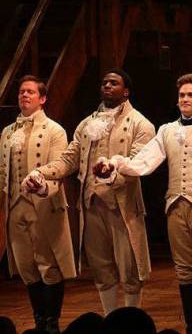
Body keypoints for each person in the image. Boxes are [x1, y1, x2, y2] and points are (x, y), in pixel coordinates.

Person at [97, 74, 192, 334]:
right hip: (175, 205)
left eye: (191, 95)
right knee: (183, 270)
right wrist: (115, 164)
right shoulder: (166, 130)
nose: (185, 99)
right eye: (182, 95)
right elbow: (145, 160)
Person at [25, 70, 155, 315]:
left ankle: (129, 323)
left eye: (114, 83)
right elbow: (69, 159)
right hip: (92, 204)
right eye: (104, 82)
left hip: (122, 205)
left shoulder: (140, 123)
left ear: (125, 91)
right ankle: (109, 320)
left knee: (129, 268)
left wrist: (113, 171)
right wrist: (43, 172)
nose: (107, 85)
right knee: (101, 268)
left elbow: (140, 162)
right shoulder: (87, 124)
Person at [0, 75, 75, 332]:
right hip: (15, 206)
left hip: (43, 204)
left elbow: (59, 166)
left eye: (30, 92)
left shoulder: (54, 130)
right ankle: (39, 320)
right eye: (21, 92)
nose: (24, 95)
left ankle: (51, 322)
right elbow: (3, 172)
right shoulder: (7, 132)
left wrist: (42, 184)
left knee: (47, 264)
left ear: (42, 99)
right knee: (26, 266)